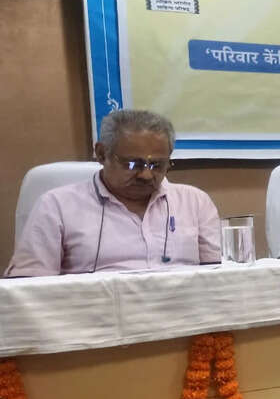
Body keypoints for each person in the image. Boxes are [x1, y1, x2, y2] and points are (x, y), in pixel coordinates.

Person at [5, 109, 221, 277]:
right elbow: (27, 288)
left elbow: (219, 276)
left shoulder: (195, 202)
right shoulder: (56, 206)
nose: (146, 175)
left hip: (182, 315)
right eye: (133, 164)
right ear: (101, 154)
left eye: (157, 165)